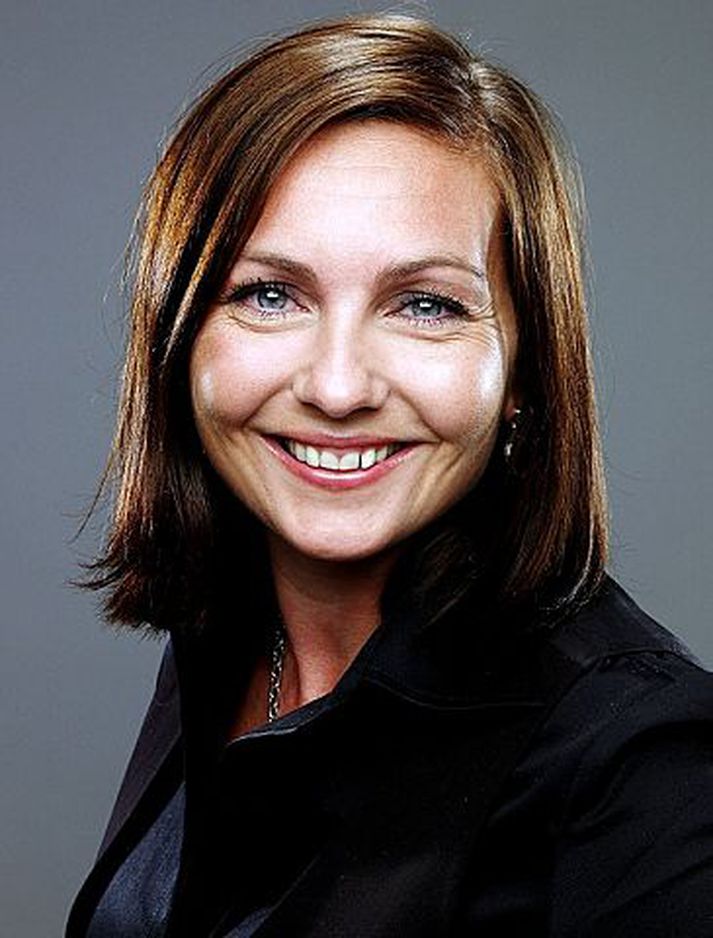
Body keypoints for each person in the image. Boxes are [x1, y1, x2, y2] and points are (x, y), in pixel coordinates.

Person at [66, 14, 713, 937]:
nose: (337, 388)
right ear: (179, 338)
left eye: (425, 306)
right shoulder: (228, 631)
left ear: (524, 369)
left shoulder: (643, 768)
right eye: (269, 294)